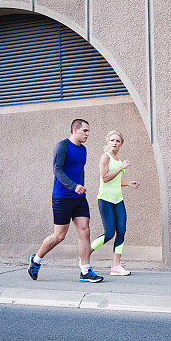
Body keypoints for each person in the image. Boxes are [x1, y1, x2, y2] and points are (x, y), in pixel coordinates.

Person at [27, 119, 103, 283]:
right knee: (59, 236)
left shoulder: (83, 150)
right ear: (75, 130)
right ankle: (36, 260)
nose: (87, 134)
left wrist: (80, 187)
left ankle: (85, 270)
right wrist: (73, 186)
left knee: (85, 231)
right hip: (62, 197)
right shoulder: (62, 146)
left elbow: (79, 170)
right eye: (85, 131)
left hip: (78, 197)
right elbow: (57, 169)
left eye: (88, 131)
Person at [90, 130, 139, 276]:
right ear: (108, 142)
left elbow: (115, 181)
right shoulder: (105, 157)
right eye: (112, 140)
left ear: (121, 144)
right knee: (109, 233)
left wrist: (129, 183)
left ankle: (116, 266)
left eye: (117, 141)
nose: (114, 143)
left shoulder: (118, 159)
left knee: (122, 231)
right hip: (105, 199)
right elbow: (105, 178)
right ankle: (85, 254)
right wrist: (121, 168)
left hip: (118, 199)